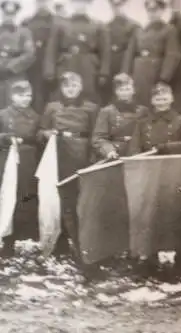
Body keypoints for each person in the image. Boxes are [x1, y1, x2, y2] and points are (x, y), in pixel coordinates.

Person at [128, 82, 181, 278]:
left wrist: (168, 147)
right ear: (152, 101)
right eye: (157, 98)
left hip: (174, 174)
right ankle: (150, 257)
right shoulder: (143, 123)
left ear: (171, 99)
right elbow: (134, 148)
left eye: (165, 97)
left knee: (174, 212)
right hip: (149, 174)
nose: (161, 101)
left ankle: (179, 257)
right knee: (148, 213)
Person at [38, 71, 99, 256]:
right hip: (59, 154)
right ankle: (61, 240)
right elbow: (40, 131)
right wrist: (47, 135)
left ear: (80, 87)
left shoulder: (92, 108)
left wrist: (92, 158)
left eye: (74, 86)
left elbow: (97, 135)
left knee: (81, 199)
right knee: (62, 197)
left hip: (82, 155)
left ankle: (83, 242)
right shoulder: (52, 107)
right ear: (61, 88)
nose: (70, 90)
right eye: (66, 86)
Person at [0, 81, 41, 258]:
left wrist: (43, 136)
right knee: (6, 196)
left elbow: (37, 137)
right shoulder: (3, 114)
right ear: (12, 96)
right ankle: (4, 236)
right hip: (6, 161)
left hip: (27, 161)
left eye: (29, 96)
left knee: (23, 197)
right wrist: (7, 138)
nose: (26, 99)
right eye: (21, 95)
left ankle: (16, 239)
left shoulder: (34, 116)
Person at [44, 0, 111, 104]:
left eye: (83, 2)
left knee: (89, 98)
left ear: (89, 4)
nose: (80, 6)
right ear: (72, 4)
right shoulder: (61, 24)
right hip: (67, 65)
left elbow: (105, 52)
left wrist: (104, 73)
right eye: (77, 2)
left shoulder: (98, 25)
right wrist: (50, 71)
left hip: (89, 67)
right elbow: (52, 49)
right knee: (64, 96)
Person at [121, 0, 181, 108]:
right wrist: (126, 72)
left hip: (156, 74)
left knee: (155, 104)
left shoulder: (169, 30)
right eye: (149, 10)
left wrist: (164, 78)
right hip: (139, 75)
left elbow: (172, 55)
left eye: (155, 10)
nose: (152, 13)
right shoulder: (140, 31)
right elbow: (129, 53)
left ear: (162, 11)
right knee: (139, 104)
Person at [92, 73, 148, 160]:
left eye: (128, 89)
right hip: (116, 154)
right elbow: (98, 138)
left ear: (133, 90)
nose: (125, 93)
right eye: (121, 90)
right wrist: (109, 151)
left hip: (137, 154)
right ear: (116, 92)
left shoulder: (143, 111)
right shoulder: (107, 111)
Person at [22, 0, 58, 115]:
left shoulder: (57, 22)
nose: (42, 4)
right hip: (33, 65)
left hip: (54, 64)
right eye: (39, 1)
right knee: (35, 95)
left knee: (53, 96)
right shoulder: (27, 22)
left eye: (45, 1)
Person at [0, 0, 36, 110]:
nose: (9, 17)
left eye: (12, 14)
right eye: (6, 14)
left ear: (16, 15)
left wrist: (10, 66)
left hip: (16, 76)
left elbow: (30, 54)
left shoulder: (24, 32)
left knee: (15, 106)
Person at [103, 0, 139, 106]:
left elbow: (132, 51)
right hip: (109, 66)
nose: (117, 9)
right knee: (108, 97)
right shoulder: (106, 26)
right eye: (114, 6)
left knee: (124, 94)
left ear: (126, 5)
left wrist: (125, 71)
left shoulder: (133, 26)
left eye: (120, 5)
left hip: (126, 65)